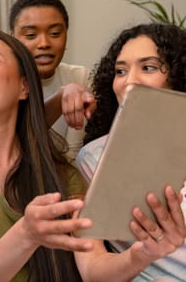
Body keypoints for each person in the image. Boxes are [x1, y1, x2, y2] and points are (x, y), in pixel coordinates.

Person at [0, 26, 186, 282]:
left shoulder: (63, 173)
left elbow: (93, 268)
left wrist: (143, 254)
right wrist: (26, 233)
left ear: (24, 87)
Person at [77, 23, 186, 281]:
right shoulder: (95, 158)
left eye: (148, 67)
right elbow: (93, 269)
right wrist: (143, 254)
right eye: (120, 71)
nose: (129, 82)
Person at [9, 0, 93, 160]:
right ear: (12, 39)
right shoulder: (3, 84)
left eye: (54, 33)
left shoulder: (80, 77)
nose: (44, 44)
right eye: (31, 35)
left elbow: (74, 156)